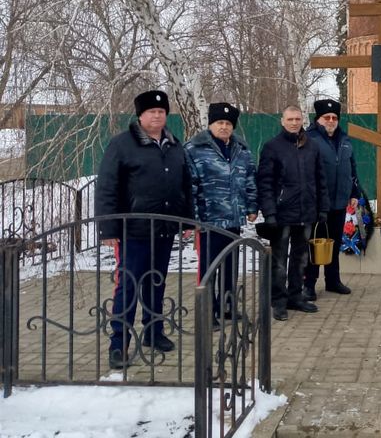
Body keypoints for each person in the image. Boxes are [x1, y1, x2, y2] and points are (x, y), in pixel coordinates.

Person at [95, 90, 192, 370]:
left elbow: (184, 185)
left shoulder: (174, 145)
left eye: (161, 112)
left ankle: (153, 332)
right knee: (128, 286)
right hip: (133, 230)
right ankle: (118, 344)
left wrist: (185, 220)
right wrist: (108, 228)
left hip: (164, 228)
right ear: (140, 115)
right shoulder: (122, 145)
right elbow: (107, 188)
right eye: (152, 112)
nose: (157, 116)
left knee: (156, 282)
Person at [185, 102, 258, 325]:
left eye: (228, 123)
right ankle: (208, 312)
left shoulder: (241, 150)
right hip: (209, 221)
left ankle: (227, 307)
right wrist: (194, 218)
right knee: (209, 269)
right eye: (220, 123)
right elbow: (190, 186)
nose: (224, 127)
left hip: (234, 220)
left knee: (230, 267)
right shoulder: (194, 149)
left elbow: (249, 180)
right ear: (211, 124)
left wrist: (252, 207)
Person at [257, 105, 330, 321]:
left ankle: (295, 296)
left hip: (306, 212)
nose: (294, 123)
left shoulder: (312, 147)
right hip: (282, 214)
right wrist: (269, 212)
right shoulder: (272, 147)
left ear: (302, 120)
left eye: (298, 119)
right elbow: (265, 182)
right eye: (290, 119)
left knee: (301, 259)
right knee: (279, 261)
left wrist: (323, 207)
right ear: (282, 121)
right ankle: (278, 301)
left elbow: (320, 180)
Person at [303, 99, 361, 300]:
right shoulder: (309, 139)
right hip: (317, 203)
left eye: (334, 117)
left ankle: (332, 280)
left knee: (334, 243)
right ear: (318, 119)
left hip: (339, 201)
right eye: (326, 117)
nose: (330, 120)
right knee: (314, 243)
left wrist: (355, 193)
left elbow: (351, 168)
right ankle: (308, 284)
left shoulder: (345, 140)